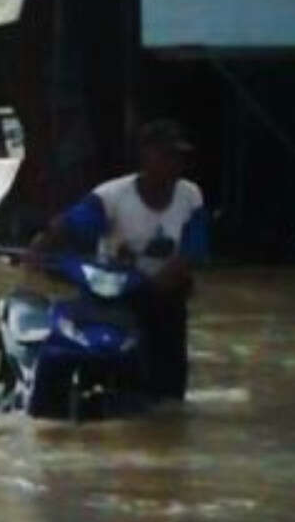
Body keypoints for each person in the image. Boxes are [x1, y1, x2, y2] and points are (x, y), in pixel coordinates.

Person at [27, 118, 211, 401]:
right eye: (166, 155)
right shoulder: (111, 196)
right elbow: (70, 225)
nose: (174, 164)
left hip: (165, 297)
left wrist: (163, 279)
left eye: (179, 157)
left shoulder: (190, 196)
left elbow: (194, 251)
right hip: (115, 294)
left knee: (171, 390)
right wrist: (40, 247)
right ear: (146, 156)